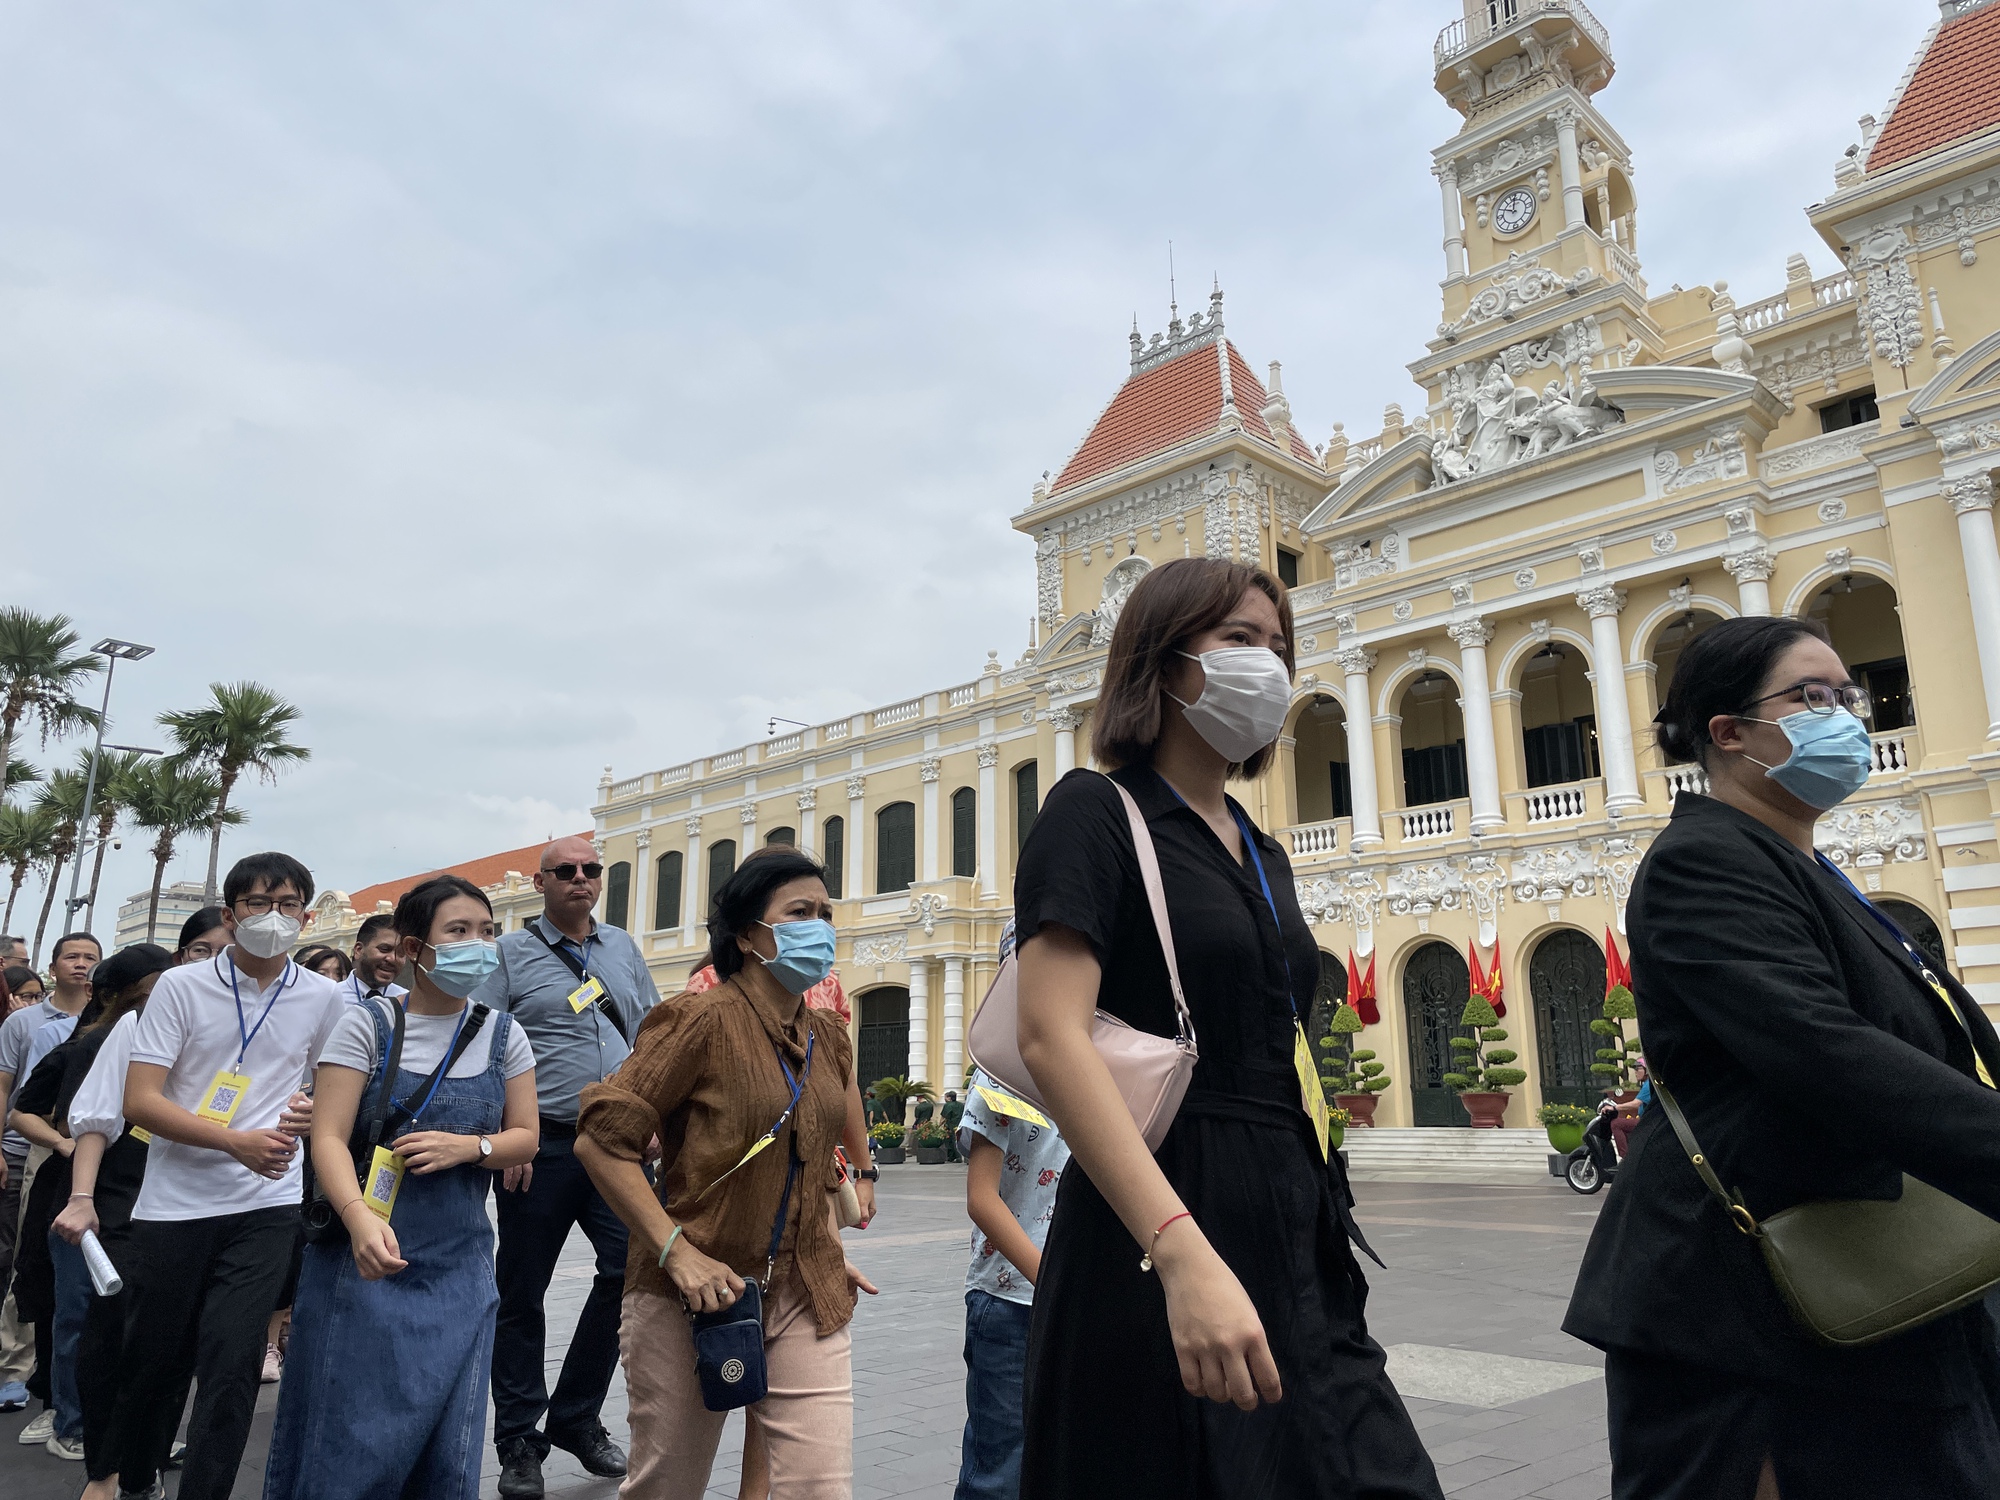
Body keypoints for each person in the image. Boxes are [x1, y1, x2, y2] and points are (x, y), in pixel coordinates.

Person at [1011, 557, 1442, 1499]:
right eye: (1241, 640)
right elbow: (1051, 1036)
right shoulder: (1094, 813)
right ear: (1163, 666)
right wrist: (1179, 1251)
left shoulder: (1261, 848)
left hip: (1293, 1211)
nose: (1271, 666)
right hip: (1163, 1215)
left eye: (1280, 646)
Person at [1564, 615, 2000, 1495]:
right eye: (1813, 696)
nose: (1846, 715)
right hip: (1749, 1320)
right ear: (1729, 733)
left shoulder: (1802, 865)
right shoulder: (1703, 862)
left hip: (1873, 1286)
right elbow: (1825, 1053)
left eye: (1850, 695)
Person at [575, 843, 876, 1498]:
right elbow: (602, 1141)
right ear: (748, 933)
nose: (819, 927)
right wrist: (676, 1251)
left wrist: (815, 1243)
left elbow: (811, 1157)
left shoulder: (828, 1037)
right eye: (800, 912)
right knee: (668, 1485)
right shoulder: (697, 1021)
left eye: (826, 913)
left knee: (821, 1487)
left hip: (804, 1290)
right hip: (690, 1293)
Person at [263, 875, 539, 1499]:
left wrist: (471, 1147)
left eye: (487, 931)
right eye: (459, 932)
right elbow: (328, 1136)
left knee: (448, 1438)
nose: (478, 944)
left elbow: (525, 1136)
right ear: (416, 948)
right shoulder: (367, 1026)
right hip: (362, 1260)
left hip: (458, 1264)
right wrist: (360, 1220)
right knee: (349, 1431)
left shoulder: (504, 1034)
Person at [120, 852, 345, 1500]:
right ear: (230, 913)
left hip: (266, 1202)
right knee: (155, 1361)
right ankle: (137, 1481)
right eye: (257, 904)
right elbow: (141, 1100)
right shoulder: (180, 988)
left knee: (233, 1361)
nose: (273, 918)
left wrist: (313, 1108)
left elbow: (333, 1087)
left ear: (305, 915)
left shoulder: (323, 995)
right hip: (174, 1204)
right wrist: (232, 1141)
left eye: (287, 906)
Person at [471, 836, 661, 1497]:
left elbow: (652, 1037)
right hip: (542, 1144)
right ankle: (520, 1441)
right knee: (520, 1295)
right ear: (541, 882)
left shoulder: (624, 949)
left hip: (618, 1145)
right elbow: (485, 1040)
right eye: (566, 871)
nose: (581, 879)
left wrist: (656, 1111)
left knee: (631, 1272)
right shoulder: (511, 954)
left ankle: (577, 1417)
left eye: (591, 870)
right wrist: (507, 1134)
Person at [685, 947, 878, 1500]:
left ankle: (756, 1489)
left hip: (810, 1189)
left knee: (784, 1364)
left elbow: (842, 1081)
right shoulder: (708, 988)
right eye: (795, 912)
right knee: (734, 1346)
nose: (814, 930)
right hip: (735, 1197)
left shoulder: (828, 987)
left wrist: (864, 1168)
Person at [15, 944, 174, 1473]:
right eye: (159, 990)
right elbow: (30, 1112)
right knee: (80, 1319)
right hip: (87, 1201)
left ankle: (129, 1431)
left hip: (152, 1201)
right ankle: (72, 1424)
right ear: (123, 996)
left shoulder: (177, 1042)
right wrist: (68, 1147)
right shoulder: (93, 1044)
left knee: (137, 1325)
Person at [955, 1067, 1067, 1500]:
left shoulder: (1111, 1060)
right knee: (1000, 1478)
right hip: (1011, 1302)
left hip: (1077, 1302)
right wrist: (1054, 1284)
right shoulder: (1004, 1069)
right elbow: (981, 1198)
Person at [0, 932, 99, 1414]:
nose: (81, 966)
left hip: (97, 1157)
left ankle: (61, 1380)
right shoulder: (30, 1026)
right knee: (30, 1259)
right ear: (54, 965)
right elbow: (13, 1096)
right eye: (72, 957)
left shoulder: (117, 1025)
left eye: (90, 959)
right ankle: (16, 1365)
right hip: (36, 1152)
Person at [348, 913, 409, 1003]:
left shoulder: (407, 1001)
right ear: (359, 950)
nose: (393, 958)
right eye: (384, 949)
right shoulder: (331, 997)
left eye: (401, 953)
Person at [941, 1090, 964, 1164]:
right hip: (959, 1124)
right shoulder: (961, 1105)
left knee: (950, 1142)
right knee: (957, 1140)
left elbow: (944, 1117)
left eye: (945, 1097)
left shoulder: (948, 1105)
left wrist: (938, 1126)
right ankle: (956, 1156)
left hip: (950, 1125)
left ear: (949, 1098)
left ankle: (953, 1156)